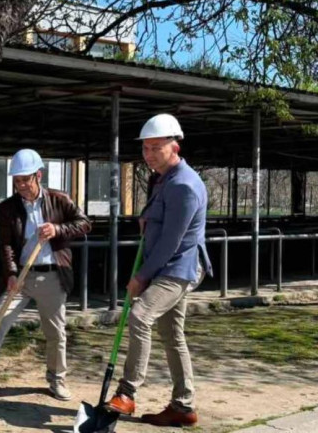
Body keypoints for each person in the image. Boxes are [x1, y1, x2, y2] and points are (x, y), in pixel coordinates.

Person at [0, 149, 91, 401]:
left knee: (55, 332)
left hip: (52, 276)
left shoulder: (59, 199)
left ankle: (57, 380)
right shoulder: (8, 208)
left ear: (39, 175)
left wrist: (57, 229)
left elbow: (84, 223)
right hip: (22, 278)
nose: (21, 185)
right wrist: (12, 274)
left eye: (26, 179)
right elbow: (6, 245)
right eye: (17, 181)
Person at [105, 114, 212, 426]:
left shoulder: (184, 185)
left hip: (177, 268)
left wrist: (142, 276)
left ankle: (126, 393)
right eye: (145, 148)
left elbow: (171, 243)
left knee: (140, 316)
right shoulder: (163, 179)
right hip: (168, 265)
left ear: (174, 146)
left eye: (156, 148)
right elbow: (160, 219)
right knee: (172, 334)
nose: (149, 154)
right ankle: (183, 406)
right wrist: (147, 218)